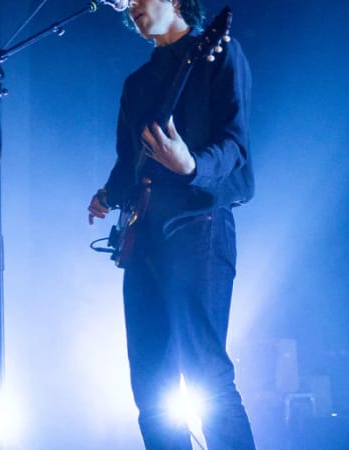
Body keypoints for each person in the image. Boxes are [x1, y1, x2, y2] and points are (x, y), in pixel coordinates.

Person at [87, 1, 255, 448]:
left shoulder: (219, 55)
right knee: (151, 387)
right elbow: (130, 162)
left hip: (199, 227)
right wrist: (107, 194)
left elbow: (236, 147)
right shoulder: (137, 83)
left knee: (207, 376)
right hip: (144, 239)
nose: (133, 6)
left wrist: (191, 164)